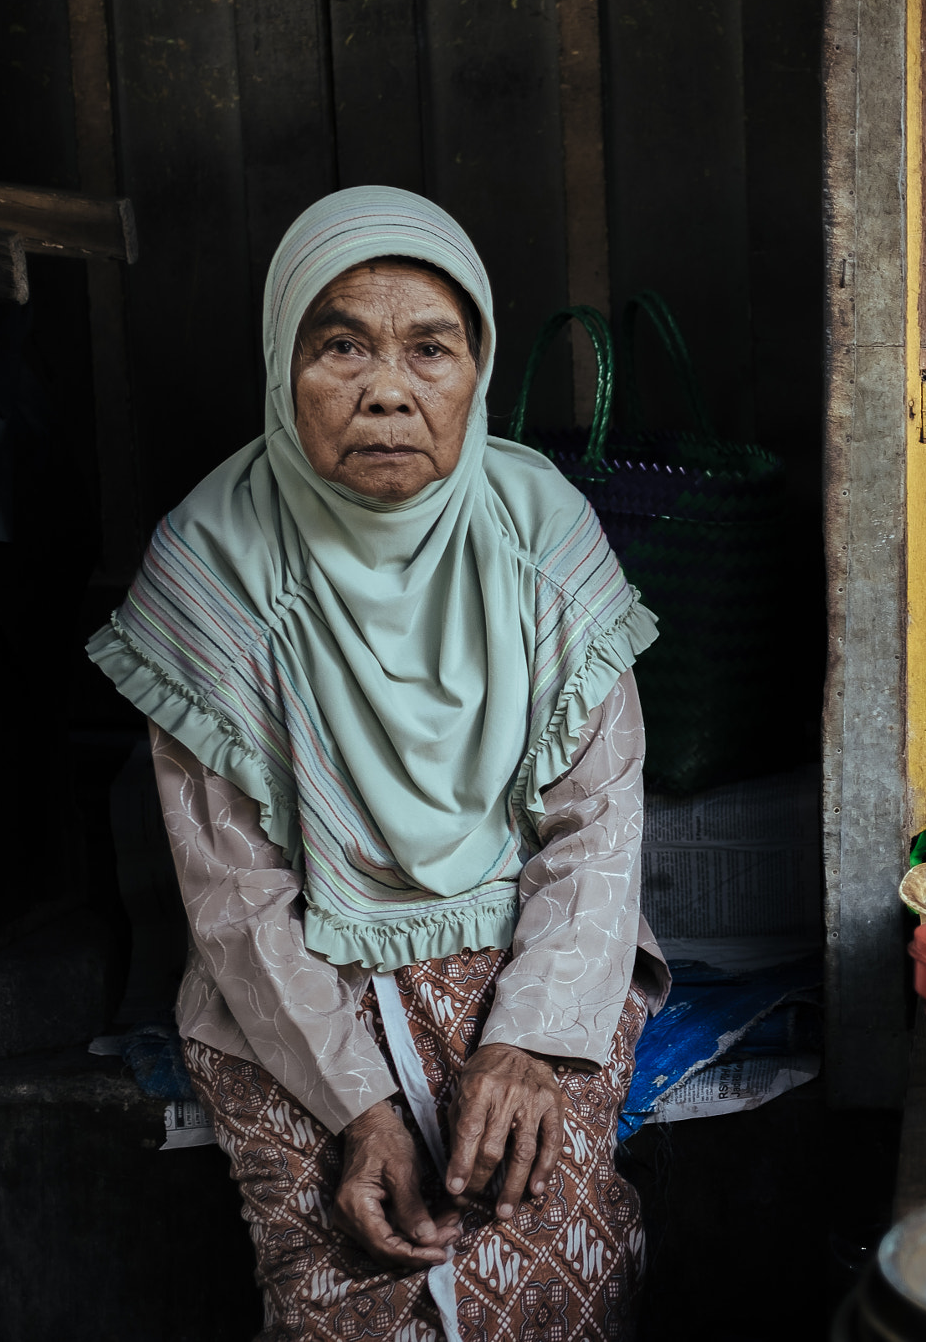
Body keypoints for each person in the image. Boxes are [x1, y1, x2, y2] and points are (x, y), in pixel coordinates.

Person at [88, 187, 667, 1341]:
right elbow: (235, 893)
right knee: (351, 1262)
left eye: (430, 349)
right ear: (280, 363)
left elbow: (595, 828)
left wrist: (527, 1041)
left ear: (477, 371)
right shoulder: (212, 564)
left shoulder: (539, 532)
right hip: (292, 975)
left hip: (526, 949)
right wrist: (357, 1103)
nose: (389, 390)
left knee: (540, 1233)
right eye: (341, 344)